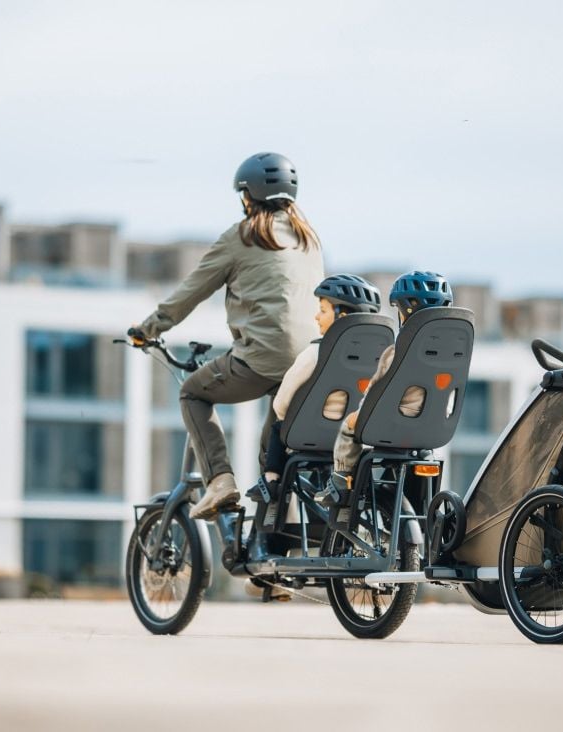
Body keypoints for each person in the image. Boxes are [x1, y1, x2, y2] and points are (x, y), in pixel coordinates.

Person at [131, 152, 324, 519]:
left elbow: (192, 290)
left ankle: (220, 481)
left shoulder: (243, 236)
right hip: (310, 365)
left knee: (192, 392)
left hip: (261, 361)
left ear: (248, 195)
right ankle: (269, 558)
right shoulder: (309, 240)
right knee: (274, 459)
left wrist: (148, 329)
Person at [315, 271, 454, 507]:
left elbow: (376, 390)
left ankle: (341, 479)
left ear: (406, 311)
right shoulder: (452, 353)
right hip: (435, 428)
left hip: (394, 425)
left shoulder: (398, 351)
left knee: (351, 424)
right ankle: (419, 508)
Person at [245, 273, 383, 503]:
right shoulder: (381, 357)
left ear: (342, 315)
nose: (317, 316)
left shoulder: (315, 353)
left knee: (278, 426)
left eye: (323, 310)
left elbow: (282, 403)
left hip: (311, 435)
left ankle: (271, 480)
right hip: (356, 436)